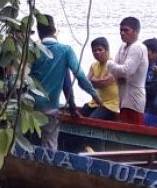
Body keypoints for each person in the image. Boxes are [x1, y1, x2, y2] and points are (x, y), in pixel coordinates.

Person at [29, 15, 98, 150]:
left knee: (27, 144)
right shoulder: (65, 50)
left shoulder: (31, 50)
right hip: (50, 108)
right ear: (54, 30)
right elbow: (78, 76)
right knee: (49, 146)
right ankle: (48, 168)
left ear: (38, 31)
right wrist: (95, 96)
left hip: (28, 106)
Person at [105, 16, 148, 125]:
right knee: (124, 126)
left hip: (134, 98)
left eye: (126, 30)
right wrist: (117, 71)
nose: (122, 33)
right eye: (121, 30)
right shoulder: (123, 47)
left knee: (134, 130)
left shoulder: (137, 48)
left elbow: (125, 71)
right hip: (123, 96)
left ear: (136, 32)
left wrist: (109, 63)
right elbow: (117, 71)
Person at [81, 37, 120, 121]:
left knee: (92, 120)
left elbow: (104, 83)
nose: (97, 53)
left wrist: (94, 80)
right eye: (94, 51)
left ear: (107, 50)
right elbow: (85, 84)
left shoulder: (113, 64)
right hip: (95, 102)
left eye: (100, 49)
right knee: (79, 114)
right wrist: (95, 81)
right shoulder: (93, 65)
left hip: (110, 105)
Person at [142, 38, 157, 126]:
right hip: (142, 108)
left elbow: (153, 90)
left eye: (145, 52)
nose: (142, 54)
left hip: (155, 111)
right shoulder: (143, 66)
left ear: (155, 53)